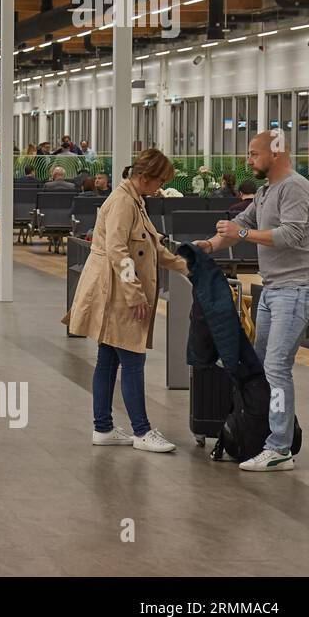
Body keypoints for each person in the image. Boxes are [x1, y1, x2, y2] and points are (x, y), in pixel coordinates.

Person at [194, 132, 309, 471]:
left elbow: (291, 235)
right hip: (273, 289)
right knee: (260, 365)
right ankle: (264, 432)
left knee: (277, 366)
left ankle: (280, 447)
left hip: (298, 287)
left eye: (254, 154)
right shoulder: (267, 190)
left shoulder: (295, 187)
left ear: (276, 153)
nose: (248, 160)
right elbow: (241, 224)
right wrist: (209, 246)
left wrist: (240, 235)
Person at [66, 149, 189, 453]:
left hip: (117, 288)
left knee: (108, 360)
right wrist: (135, 293)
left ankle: (103, 428)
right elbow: (118, 251)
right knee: (133, 359)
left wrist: (186, 266)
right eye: (159, 181)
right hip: (118, 292)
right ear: (143, 176)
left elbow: (152, 247)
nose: (160, 187)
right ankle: (142, 431)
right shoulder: (123, 202)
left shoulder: (136, 199)